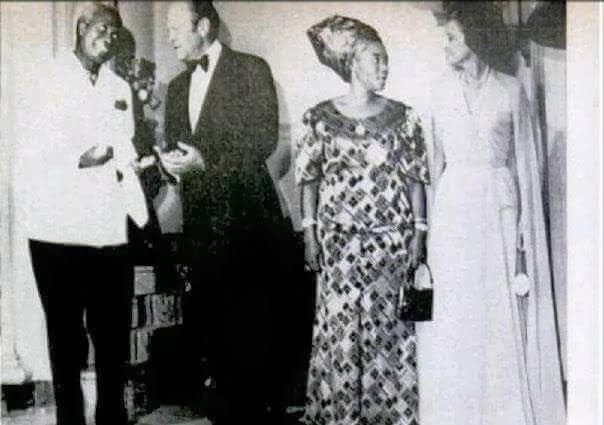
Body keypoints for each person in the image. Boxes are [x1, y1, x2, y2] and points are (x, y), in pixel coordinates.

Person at [415, 3, 566, 425]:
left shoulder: (510, 90)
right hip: (452, 211)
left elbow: (523, 162)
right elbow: (432, 166)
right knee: (456, 308)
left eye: (452, 37)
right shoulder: (438, 92)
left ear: (475, 39)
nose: (445, 45)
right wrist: (425, 235)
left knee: (497, 306)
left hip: (498, 205)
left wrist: (522, 222)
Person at [155, 2, 294, 423]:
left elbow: (264, 138)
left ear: (203, 25)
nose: (170, 37)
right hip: (202, 233)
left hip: (250, 229)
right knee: (217, 348)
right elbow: (184, 151)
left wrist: (205, 161)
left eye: (177, 28)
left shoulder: (252, 69)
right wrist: (171, 165)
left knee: (254, 345)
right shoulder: (177, 87)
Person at [14, 2, 149, 425]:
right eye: (103, 28)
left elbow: (123, 146)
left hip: (108, 229)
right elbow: (28, 150)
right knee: (65, 340)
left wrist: (135, 164)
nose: (109, 37)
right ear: (82, 27)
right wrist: (78, 157)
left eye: (115, 32)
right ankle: (69, 420)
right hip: (56, 231)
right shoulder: (45, 79)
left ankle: (112, 419)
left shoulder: (119, 89)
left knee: (111, 339)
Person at [295, 15, 430, 425]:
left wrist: (419, 234)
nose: (384, 67)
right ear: (353, 62)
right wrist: (310, 234)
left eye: (386, 60)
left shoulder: (404, 118)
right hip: (339, 248)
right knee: (341, 333)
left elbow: (416, 179)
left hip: (390, 245)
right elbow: (309, 179)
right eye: (376, 59)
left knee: (389, 334)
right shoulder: (318, 118)